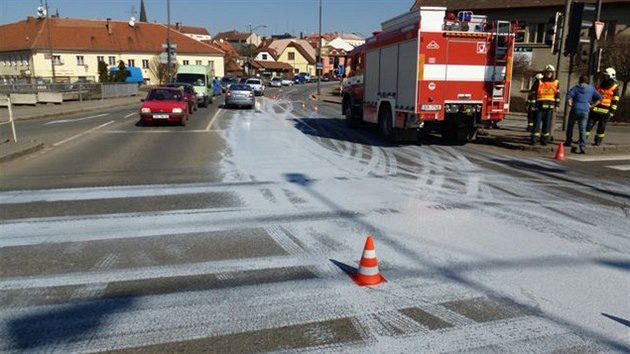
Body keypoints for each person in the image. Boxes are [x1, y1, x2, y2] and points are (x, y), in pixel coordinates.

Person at [565, 75, 601, 154]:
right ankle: (582, 146)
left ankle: (568, 141)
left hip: (575, 108)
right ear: (587, 81)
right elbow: (599, 98)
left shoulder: (576, 88)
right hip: (585, 110)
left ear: (579, 80)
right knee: (582, 129)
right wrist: (592, 105)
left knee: (570, 125)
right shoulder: (591, 89)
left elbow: (568, 96)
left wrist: (570, 103)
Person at [587, 67, 620, 146]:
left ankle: (598, 141)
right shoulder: (601, 84)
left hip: (605, 110)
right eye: (604, 76)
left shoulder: (615, 87)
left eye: (606, 76)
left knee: (601, 127)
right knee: (589, 125)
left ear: (611, 76)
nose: (605, 77)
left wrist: (612, 112)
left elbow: (615, 101)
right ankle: (583, 138)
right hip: (596, 108)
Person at [528, 65, 560, 145]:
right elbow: (533, 94)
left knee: (547, 125)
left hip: (550, 107)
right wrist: (532, 104)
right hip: (539, 106)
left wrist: (557, 105)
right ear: (544, 73)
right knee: (537, 124)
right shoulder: (539, 82)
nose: (549, 74)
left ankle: (544, 140)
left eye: (550, 72)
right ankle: (534, 140)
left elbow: (557, 95)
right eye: (547, 72)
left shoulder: (556, 82)